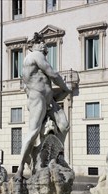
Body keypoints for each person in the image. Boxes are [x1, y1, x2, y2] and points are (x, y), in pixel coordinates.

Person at [15, 33, 72, 180]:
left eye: (44, 44)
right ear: (33, 45)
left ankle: (55, 156)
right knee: (33, 132)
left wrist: (63, 92)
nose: (43, 45)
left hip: (49, 99)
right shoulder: (34, 56)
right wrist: (66, 88)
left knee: (64, 126)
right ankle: (20, 168)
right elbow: (52, 74)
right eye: (40, 42)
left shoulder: (40, 56)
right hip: (37, 98)